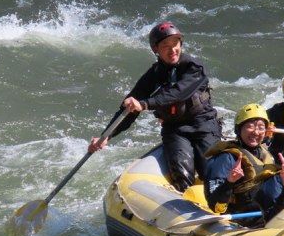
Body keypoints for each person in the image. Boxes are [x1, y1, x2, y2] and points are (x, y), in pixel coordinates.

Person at [88, 21, 222, 192]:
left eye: (175, 44)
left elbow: (177, 93)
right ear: (156, 50)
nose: (172, 49)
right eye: (165, 45)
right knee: (181, 176)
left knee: (213, 173)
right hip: (175, 129)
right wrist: (106, 135)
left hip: (203, 123)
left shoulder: (194, 68)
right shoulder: (154, 74)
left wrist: (144, 104)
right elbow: (129, 108)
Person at [203, 103, 284, 227]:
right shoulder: (226, 158)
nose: (256, 132)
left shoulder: (266, 156)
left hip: (266, 216)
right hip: (240, 220)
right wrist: (229, 182)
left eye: (260, 127)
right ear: (239, 129)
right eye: (250, 126)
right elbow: (215, 204)